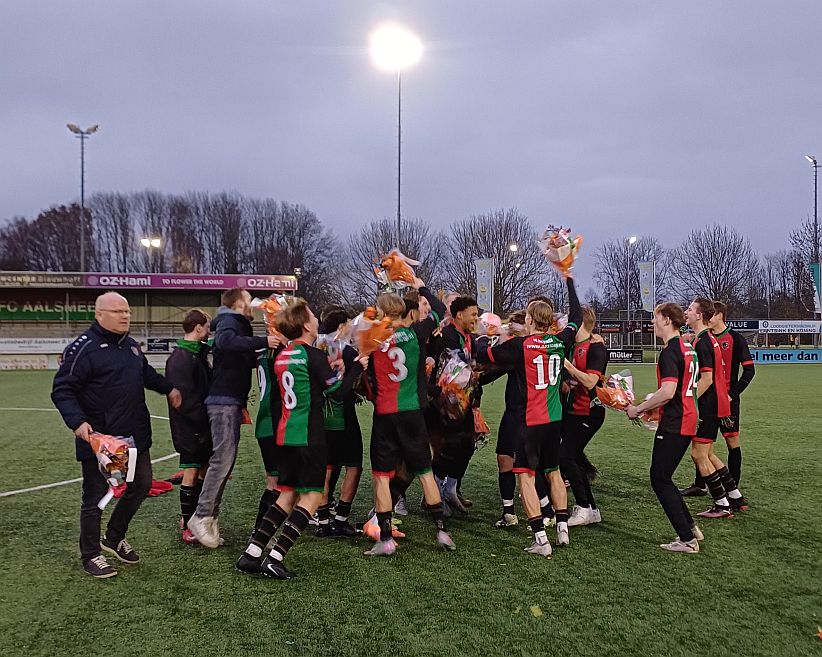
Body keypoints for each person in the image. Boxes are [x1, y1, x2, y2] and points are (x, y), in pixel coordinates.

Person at [51, 291, 182, 578]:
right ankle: (90, 554)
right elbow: (62, 389)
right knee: (97, 497)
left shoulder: (131, 346)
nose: (125, 316)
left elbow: (146, 374)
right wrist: (78, 422)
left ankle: (113, 537)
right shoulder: (83, 348)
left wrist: (169, 388)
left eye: (127, 311)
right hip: (102, 441)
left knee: (141, 485)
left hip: (135, 436)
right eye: (118, 311)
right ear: (99, 314)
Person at [236, 300, 364, 579]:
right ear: (306, 325)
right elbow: (336, 392)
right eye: (312, 316)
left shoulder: (283, 355)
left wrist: (331, 370)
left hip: (285, 433)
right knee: (312, 495)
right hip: (309, 435)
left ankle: (252, 553)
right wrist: (357, 369)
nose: (316, 319)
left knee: (287, 494)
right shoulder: (312, 355)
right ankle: (276, 557)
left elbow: (310, 383)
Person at [476, 276, 582, 557]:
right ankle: (562, 529)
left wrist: (485, 333)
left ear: (531, 320)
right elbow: (577, 317)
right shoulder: (560, 341)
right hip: (554, 419)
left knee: (525, 476)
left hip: (530, 421)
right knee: (553, 472)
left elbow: (483, 354)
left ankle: (540, 539)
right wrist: (569, 280)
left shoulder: (519, 346)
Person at [363, 279, 456, 556]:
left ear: (382, 312)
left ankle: (386, 539)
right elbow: (439, 308)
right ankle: (441, 531)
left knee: (381, 476)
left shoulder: (373, 339)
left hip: (385, 414)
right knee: (425, 472)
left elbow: (365, 377)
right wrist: (420, 285)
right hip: (413, 412)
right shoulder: (416, 332)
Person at [187, 288, 280, 548]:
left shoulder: (234, 323)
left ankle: (210, 517)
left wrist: (262, 352)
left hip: (229, 400)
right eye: (248, 300)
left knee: (225, 462)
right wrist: (263, 341)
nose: (253, 305)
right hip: (224, 401)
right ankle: (202, 515)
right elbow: (226, 342)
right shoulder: (230, 320)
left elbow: (238, 356)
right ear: (239, 302)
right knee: (222, 460)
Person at [627, 303, 703, 553]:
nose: (653, 322)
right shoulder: (686, 347)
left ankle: (687, 539)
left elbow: (669, 392)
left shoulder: (670, 351)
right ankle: (690, 528)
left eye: (655, 317)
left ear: (667, 319)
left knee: (659, 478)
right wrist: (654, 407)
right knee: (664, 477)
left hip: (676, 421)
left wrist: (639, 409)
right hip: (688, 417)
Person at [681, 301, 755, 494]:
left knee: (731, 442)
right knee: (704, 446)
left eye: (712, 314)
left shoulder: (736, 339)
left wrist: (732, 395)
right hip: (709, 398)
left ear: (720, 315)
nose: (709, 317)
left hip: (727, 400)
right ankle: (700, 484)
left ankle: (733, 488)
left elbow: (749, 371)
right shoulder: (705, 338)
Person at [164, 309, 212, 544]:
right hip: (190, 426)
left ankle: (196, 518)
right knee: (191, 472)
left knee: (202, 470)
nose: (210, 330)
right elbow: (184, 401)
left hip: (201, 424)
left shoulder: (197, 353)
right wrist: (202, 419)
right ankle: (187, 522)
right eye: (208, 326)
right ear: (198, 327)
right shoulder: (180, 358)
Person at [315, 307, 364, 538]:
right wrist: (358, 368)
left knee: (326, 468)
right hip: (341, 416)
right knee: (353, 466)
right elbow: (343, 388)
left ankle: (323, 522)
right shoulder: (344, 350)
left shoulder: (315, 346)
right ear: (341, 326)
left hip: (320, 417)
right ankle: (341, 520)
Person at [431, 295, 481, 513]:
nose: (476, 319)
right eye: (473, 314)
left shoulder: (468, 337)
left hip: (464, 402)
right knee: (448, 448)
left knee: (467, 445)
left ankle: (450, 490)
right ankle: (435, 493)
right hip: (447, 404)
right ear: (459, 315)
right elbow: (460, 367)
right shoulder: (448, 336)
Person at [561, 306, 609, 526]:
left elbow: (590, 382)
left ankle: (583, 507)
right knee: (574, 458)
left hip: (589, 412)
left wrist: (568, 367)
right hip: (572, 411)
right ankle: (591, 509)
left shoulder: (596, 347)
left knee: (566, 456)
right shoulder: (572, 345)